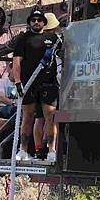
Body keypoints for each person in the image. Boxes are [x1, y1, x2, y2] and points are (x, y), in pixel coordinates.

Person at [13, 9, 60, 163]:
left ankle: (51, 151)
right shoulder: (23, 39)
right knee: (27, 117)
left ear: (44, 22)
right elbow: (17, 62)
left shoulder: (53, 39)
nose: (36, 22)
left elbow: (64, 56)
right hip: (29, 84)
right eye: (33, 20)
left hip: (48, 83)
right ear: (29, 22)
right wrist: (18, 82)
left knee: (50, 117)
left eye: (39, 20)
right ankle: (23, 150)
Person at [33, 12, 62, 160]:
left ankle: (38, 150)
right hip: (49, 85)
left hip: (35, 85)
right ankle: (51, 150)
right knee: (50, 119)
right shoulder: (56, 43)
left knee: (38, 119)